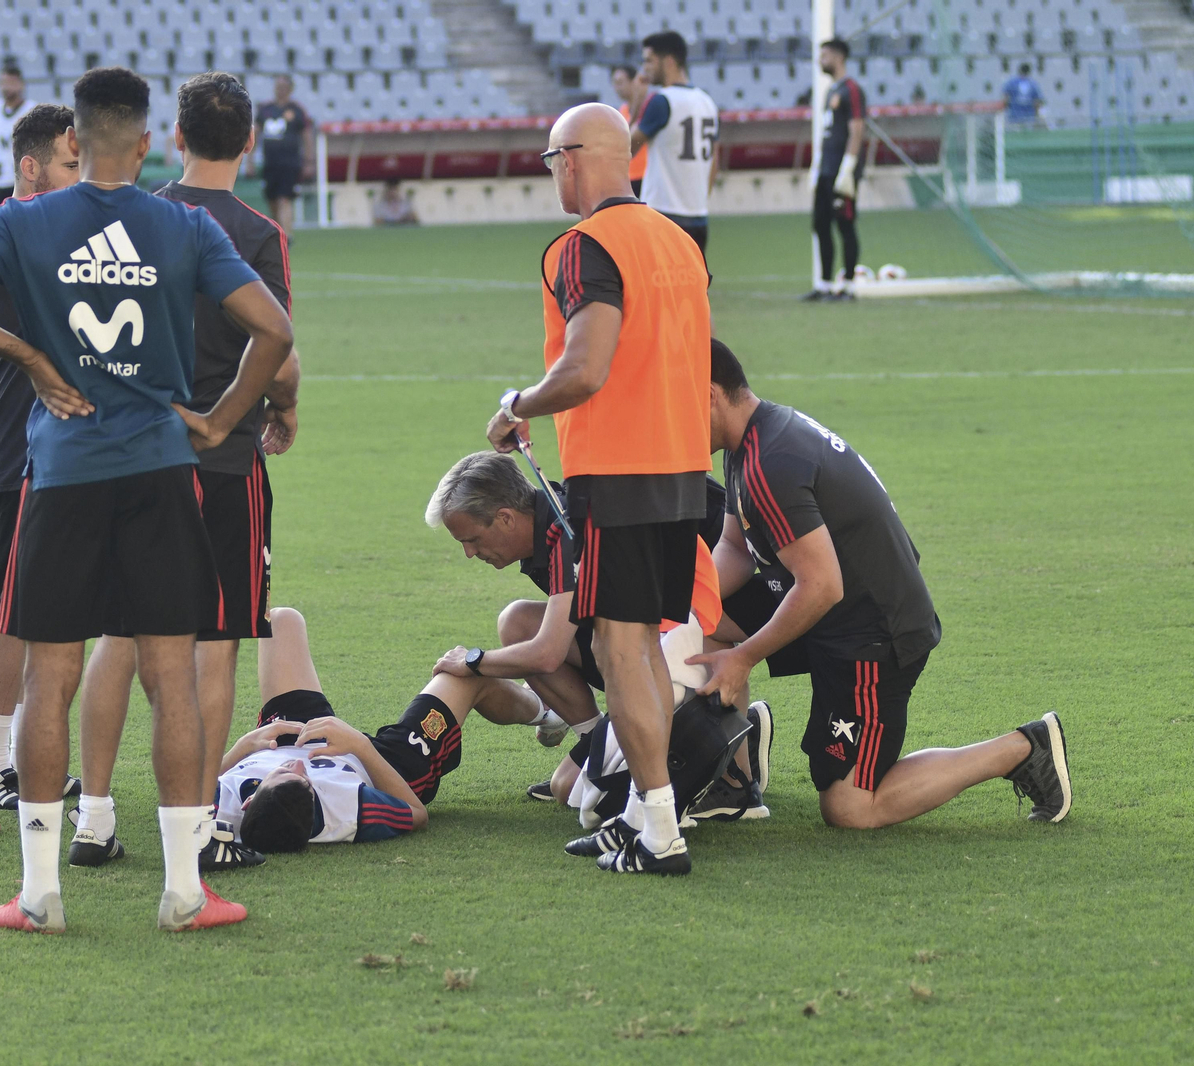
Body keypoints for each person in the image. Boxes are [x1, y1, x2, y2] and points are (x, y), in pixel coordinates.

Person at [0, 67, 294, 935]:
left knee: (50, 676)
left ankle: (41, 894)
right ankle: (187, 893)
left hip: (62, 476)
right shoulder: (184, 224)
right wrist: (220, 421)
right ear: (149, 143)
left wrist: (33, 360)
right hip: (162, 474)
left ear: (74, 144)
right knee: (173, 677)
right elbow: (274, 332)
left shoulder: (23, 220)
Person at [687, 340, 1073, 828]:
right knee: (705, 625)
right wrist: (681, 605)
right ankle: (735, 780)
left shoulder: (770, 462)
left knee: (849, 807)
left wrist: (744, 658)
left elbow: (822, 585)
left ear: (708, 395)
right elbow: (736, 548)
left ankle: (1024, 747)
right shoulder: (751, 442)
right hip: (833, 609)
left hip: (873, 632)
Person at [69, 71, 302, 874]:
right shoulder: (258, 233)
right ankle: (199, 825)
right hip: (221, 457)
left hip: (130, 454)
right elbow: (277, 349)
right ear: (248, 142)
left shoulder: (138, 213)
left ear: (171, 137)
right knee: (216, 643)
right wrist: (282, 408)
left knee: (120, 635)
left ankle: (94, 815)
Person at [485, 103, 713, 875]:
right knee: (641, 642)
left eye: (551, 161)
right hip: (683, 468)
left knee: (620, 648)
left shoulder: (583, 246)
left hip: (619, 472)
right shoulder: (679, 240)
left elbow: (585, 368)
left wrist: (518, 403)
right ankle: (650, 815)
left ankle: (659, 828)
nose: (552, 175)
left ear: (575, 160)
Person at [424, 451, 771, 828]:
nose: (469, 552)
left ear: (506, 518)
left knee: (568, 789)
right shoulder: (551, 519)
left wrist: (473, 661)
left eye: (472, 539)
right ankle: (598, 739)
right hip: (653, 641)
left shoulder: (567, 529)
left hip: (689, 639)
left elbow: (547, 654)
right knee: (517, 621)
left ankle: (732, 754)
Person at [0, 103, 84, 812]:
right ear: (32, 166)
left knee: (49, 613)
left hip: (56, 453)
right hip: (20, 453)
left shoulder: (47, 230)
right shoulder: (6, 234)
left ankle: (21, 759)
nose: (82, 176)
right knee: (15, 611)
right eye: (72, 164)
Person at [224, 608, 551, 852]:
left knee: (281, 621)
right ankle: (547, 713)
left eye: (283, 774)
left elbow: (176, 794)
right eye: (305, 780)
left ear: (248, 802)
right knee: (464, 675)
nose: (298, 767)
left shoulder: (221, 805)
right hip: (381, 765)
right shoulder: (347, 810)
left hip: (291, 735)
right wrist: (359, 746)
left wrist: (242, 747)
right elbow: (416, 814)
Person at [628, 32, 718, 255]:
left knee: (655, 287)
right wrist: (700, 198)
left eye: (649, 60)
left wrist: (638, 102)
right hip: (698, 215)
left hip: (662, 213)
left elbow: (627, 147)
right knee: (693, 287)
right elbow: (714, 158)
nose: (644, 68)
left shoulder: (662, 100)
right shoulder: (707, 101)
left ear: (668, 61)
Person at [804, 38, 867, 302]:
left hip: (842, 170)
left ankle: (849, 286)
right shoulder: (831, 91)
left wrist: (848, 169)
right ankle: (825, 285)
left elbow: (857, 129)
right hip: (826, 170)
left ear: (839, 57)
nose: (820, 60)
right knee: (820, 225)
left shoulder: (851, 89)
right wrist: (816, 166)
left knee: (845, 225)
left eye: (825, 55)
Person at [251, 75, 313, 238]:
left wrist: (308, 161)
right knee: (272, 200)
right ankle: (278, 232)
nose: (280, 90)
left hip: (290, 162)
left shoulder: (297, 110)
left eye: (284, 87)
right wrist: (249, 160)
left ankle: (287, 235)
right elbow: (255, 134)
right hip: (270, 163)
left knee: (284, 198)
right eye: (278, 87)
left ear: (290, 90)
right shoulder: (265, 110)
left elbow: (306, 136)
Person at [0, 63, 38, 211]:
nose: (6, 87)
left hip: (26, 181)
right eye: (3, 83)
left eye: (11, 83)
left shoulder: (32, 109)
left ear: (21, 85)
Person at [609, 64, 649, 197]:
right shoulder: (623, 109)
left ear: (633, 82)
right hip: (628, 177)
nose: (617, 88)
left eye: (620, 83)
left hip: (645, 175)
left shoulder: (647, 107)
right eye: (614, 83)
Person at [1003, 63, 1046, 128]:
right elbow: (1037, 102)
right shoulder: (1033, 84)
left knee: (1015, 135)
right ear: (1029, 71)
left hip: (1014, 116)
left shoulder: (1011, 82)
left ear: (1019, 70)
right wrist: (1037, 116)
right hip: (1029, 116)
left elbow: (1005, 99)